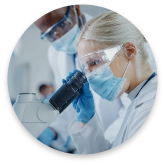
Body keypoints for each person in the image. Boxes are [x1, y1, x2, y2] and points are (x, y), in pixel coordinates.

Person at [34, 5, 132, 153]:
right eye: (50, 34)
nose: (59, 36)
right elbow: (66, 111)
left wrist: (101, 144)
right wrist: (52, 131)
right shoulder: (54, 53)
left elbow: (132, 108)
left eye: (62, 24)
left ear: (76, 9)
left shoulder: (111, 36)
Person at [65, 11, 158, 154]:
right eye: (85, 67)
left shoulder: (147, 107)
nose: (88, 75)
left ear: (129, 52)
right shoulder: (138, 100)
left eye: (94, 62)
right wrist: (87, 119)